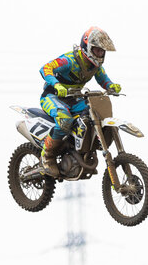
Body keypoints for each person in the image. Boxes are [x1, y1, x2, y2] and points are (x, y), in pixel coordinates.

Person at [39, 26, 122, 176]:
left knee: (94, 115)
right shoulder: (70, 60)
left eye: (102, 51)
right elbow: (45, 68)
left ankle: (77, 148)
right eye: (97, 50)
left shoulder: (95, 66)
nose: (100, 54)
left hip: (75, 99)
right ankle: (47, 156)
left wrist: (111, 86)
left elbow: (103, 79)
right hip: (52, 97)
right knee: (65, 120)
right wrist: (57, 85)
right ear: (88, 47)